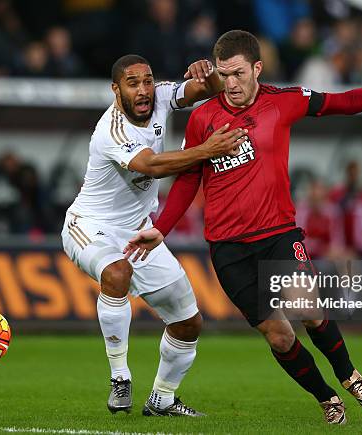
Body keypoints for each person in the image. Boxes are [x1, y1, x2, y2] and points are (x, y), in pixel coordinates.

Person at [125, 30, 362, 425]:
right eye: (224, 75)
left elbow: (346, 102)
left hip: (278, 234)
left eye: (238, 73)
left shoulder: (284, 102)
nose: (231, 83)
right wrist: (163, 228)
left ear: (257, 68)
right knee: (279, 336)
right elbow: (189, 177)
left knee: (308, 307)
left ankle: (349, 375)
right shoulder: (204, 117)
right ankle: (325, 397)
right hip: (228, 247)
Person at [61, 54, 246, 417]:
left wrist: (206, 73)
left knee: (188, 322)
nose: (144, 90)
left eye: (147, 80)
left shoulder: (160, 95)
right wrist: (207, 151)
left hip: (138, 232)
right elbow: (152, 166)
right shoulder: (111, 130)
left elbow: (206, 90)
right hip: (89, 226)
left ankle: (162, 398)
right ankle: (120, 379)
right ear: (116, 90)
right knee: (116, 273)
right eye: (133, 83)